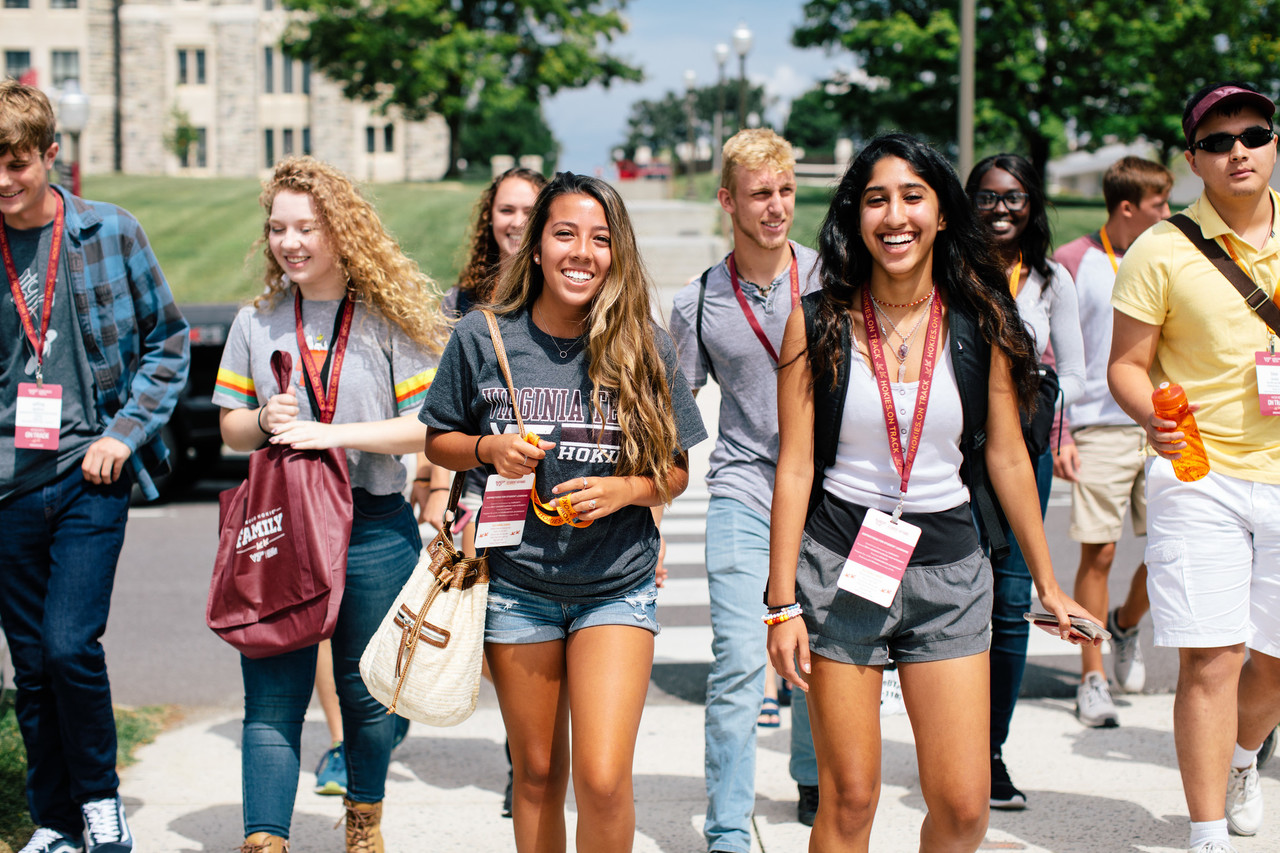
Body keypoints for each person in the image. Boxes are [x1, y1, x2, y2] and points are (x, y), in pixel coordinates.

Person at [766, 132, 1098, 853]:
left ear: (943, 213)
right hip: (840, 565)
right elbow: (793, 467)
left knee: (963, 806)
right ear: (856, 216)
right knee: (849, 799)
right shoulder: (817, 318)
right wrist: (781, 602)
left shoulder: (981, 319)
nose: (895, 216)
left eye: (913, 197)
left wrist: (1048, 580)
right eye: (877, 199)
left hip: (951, 570)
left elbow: (1008, 457)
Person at [420, 171, 706, 853]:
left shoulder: (644, 343)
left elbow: (676, 470)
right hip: (518, 587)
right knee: (540, 771)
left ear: (618, 253)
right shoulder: (482, 337)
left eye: (601, 239)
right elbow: (438, 439)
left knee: (603, 778)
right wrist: (488, 446)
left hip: (616, 583)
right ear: (539, 247)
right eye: (566, 234)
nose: (583, 251)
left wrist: (627, 490)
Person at [212, 156, 449, 853]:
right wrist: (265, 419)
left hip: (373, 527)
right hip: (282, 530)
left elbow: (427, 429)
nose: (290, 242)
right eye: (278, 228)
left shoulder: (384, 320)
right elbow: (229, 426)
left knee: (369, 696)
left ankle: (363, 822)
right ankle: (265, 840)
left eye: (306, 227)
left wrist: (332, 432)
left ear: (341, 232)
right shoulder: (256, 322)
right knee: (272, 695)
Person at [0, 79, 190, 853]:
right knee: (31, 665)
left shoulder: (109, 232)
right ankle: (54, 818)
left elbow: (169, 342)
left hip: (91, 471)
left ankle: (101, 801)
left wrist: (125, 431)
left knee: (70, 644)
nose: (4, 183)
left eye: (16, 164)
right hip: (9, 484)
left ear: (52, 156)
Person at [1108, 81, 1280, 853]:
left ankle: (1244, 758)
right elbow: (1127, 366)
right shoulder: (1162, 247)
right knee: (1211, 657)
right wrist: (1155, 417)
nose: (1237, 150)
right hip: (1201, 475)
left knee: (1272, 665)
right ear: (1192, 161)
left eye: (1254, 133)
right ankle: (1206, 830)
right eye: (1217, 141)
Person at [668, 127, 822, 845]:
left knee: (823, 656)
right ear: (729, 200)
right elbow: (671, 414)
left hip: (829, 499)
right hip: (743, 490)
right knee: (737, 659)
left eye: (786, 191)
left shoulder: (829, 280)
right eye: (761, 194)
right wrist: (655, 518)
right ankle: (727, 827)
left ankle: (813, 777)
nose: (776, 207)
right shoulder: (699, 299)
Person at [964, 153, 1086, 809]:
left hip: (1025, 451)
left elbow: (1077, 371)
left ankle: (989, 753)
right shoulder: (947, 270)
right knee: (942, 592)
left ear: (1032, 205)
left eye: (1013, 197)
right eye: (987, 196)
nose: (1001, 208)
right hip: (947, 452)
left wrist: (1062, 436)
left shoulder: (1049, 280)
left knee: (1009, 604)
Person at [1053, 156, 1172, 728]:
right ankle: (1092, 674)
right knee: (1097, 553)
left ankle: (1126, 624)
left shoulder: (1171, 253)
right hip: (1097, 426)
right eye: (1159, 206)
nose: (1168, 214)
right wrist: (1060, 431)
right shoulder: (1075, 261)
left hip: (1162, 426)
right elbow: (1053, 354)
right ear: (1128, 208)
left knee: (1169, 551)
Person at [419, 166, 548, 553]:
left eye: (530, 210)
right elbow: (444, 406)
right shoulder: (460, 302)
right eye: (507, 210)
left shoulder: (562, 294)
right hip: (482, 487)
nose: (518, 222)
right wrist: (435, 485)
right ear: (489, 216)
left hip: (554, 483)